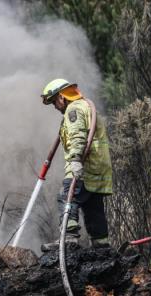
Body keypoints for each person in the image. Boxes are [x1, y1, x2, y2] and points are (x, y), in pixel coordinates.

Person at [40, 79, 113, 250]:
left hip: (83, 165)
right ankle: (101, 245)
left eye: (54, 103)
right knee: (92, 205)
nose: (55, 108)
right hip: (97, 167)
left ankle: (69, 238)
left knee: (66, 197)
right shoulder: (86, 107)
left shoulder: (73, 110)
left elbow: (78, 137)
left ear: (61, 98)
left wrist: (75, 161)